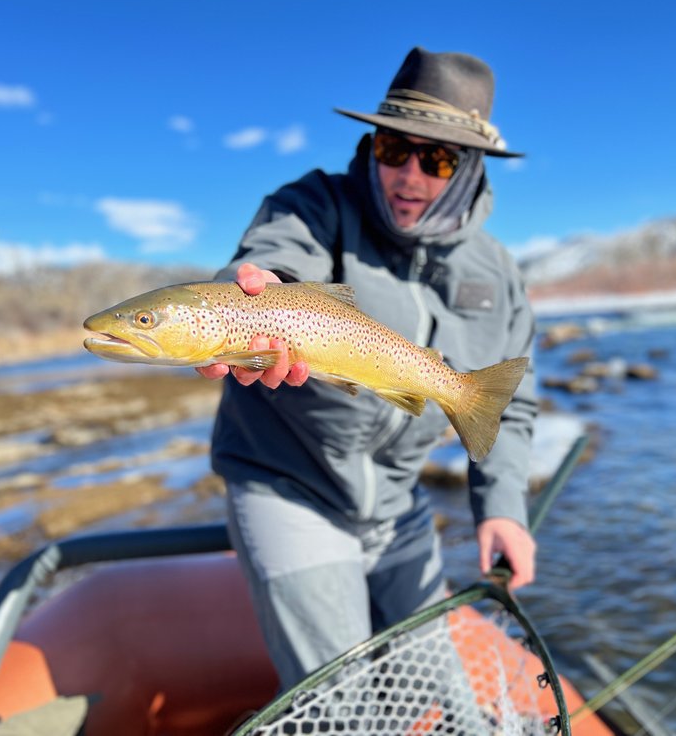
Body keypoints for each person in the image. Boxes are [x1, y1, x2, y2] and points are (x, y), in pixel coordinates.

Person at [197, 46, 538, 690]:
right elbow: (275, 256)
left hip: (398, 502)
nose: (409, 175)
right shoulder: (311, 205)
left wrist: (503, 507)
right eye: (393, 149)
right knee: (340, 696)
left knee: (443, 691)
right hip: (289, 486)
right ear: (372, 144)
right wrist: (266, 293)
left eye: (437, 158)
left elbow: (511, 405)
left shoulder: (498, 272)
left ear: (471, 169)